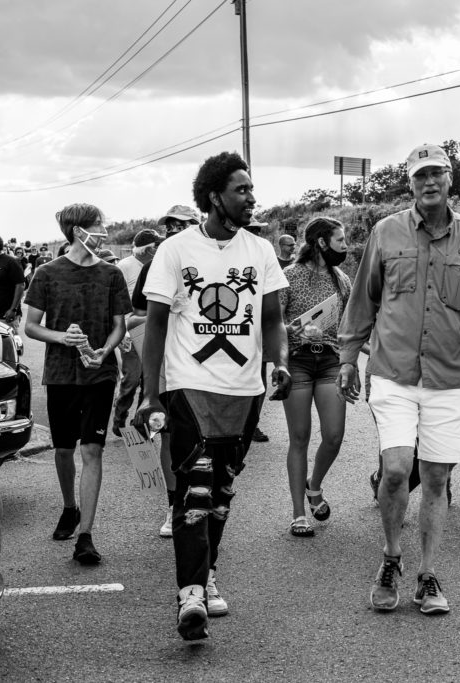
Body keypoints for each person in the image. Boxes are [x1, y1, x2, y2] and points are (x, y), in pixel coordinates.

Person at [337, 143, 460, 616]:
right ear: (410, 183)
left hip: (450, 378)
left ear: (450, 179)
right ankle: (391, 558)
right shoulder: (385, 232)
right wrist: (349, 357)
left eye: (436, 174)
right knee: (396, 469)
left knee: (436, 478)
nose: (428, 182)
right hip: (393, 373)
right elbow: (363, 299)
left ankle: (428, 573)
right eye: (419, 176)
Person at [134, 151, 291, 641]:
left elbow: (271, 320)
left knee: (221, 491)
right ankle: (190, 596)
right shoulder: (176, 251)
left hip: (244, 389)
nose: (251, 198)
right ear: (214, 196)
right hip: (189, 385)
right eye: (242, 190)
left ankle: (207, 574)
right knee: (195, 488)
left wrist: (279, 361)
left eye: (251, 189)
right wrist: (150, 394)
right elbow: (156, 325)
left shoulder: (259, 251)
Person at [23, 204, 132, 565]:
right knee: (64, 450)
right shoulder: (47, 273)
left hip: (99, 374)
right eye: (97, 225)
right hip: (60, 374)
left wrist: (107, 350)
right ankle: (69, 507)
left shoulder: (112, 273)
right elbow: (31, 326)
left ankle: (85, 534)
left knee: (93, 450)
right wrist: (61, 338)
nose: (103, 230)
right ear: (77, 229)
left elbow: (120, 323)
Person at [279, 217, 351, 537]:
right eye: (340, 240)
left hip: (331, 361)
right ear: (322, 242)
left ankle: (314, 485)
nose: (345, 246)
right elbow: (270, 326)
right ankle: (298, 514)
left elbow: (350, 328)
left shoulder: (342, 281)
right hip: (297, 361)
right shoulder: (288, 277)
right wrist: (290, 329)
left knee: (334, 436)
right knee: (300, 437)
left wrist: (358, 361)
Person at [131, 209, 196, 538]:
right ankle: (175, 507)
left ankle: (201, 502)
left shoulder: (212, 263)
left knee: (206, 438)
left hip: (205, 364)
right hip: (166, 364)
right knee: (167, 434)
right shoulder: (154, 267)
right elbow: (140, 313)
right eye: (170, 227)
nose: (175, 231)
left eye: (183, 225)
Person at [112, 229, 164, 437]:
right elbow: (114, 300)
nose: (159, 249)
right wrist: (120, 332)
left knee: (149, 379)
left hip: (152, 329)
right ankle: (119, 417)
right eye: (155, 246)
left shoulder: (160, 267)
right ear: (147, 249)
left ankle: (140, 424)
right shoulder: (124, 267)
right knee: (132, 378)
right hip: (130, 330)